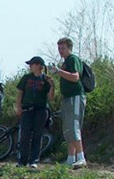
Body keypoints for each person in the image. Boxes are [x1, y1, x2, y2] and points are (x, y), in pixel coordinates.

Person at [49, 37, 87, 168]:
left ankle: (81, 157)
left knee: (74, 126)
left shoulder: (72, 59)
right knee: (67, 128)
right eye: (59, 48)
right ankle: (71, 158)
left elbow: (75, 77)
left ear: (69, 48)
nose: (60, 51)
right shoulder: (65, 62)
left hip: (76, 96)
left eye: (63, 48)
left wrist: (58, 71)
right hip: (67, 97)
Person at [15, 56, 55, 168]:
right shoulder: (26, 78)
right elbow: (20, 92)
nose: (30, 66)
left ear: (38, 66)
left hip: (41, 110)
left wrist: (52, 85)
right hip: (27, 109)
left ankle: (34, 161)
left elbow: (50, 97)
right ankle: (22, 161)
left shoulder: (46, 79)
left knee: (38, 135)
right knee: (25, 135)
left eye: (32, 64)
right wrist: (18, 106)